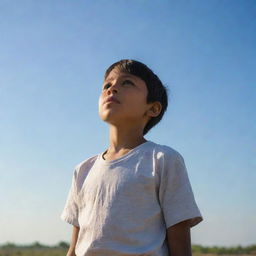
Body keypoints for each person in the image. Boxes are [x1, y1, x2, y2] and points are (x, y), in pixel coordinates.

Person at [60, 59, 203, 256]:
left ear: (152, 108)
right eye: (107, 85)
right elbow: (75, 247)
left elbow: (180, 245)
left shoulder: (163, 159)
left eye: (127, 82)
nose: (112, 89)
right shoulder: (83, 170)